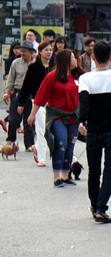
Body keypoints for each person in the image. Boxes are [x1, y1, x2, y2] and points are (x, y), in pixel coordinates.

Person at [78, 40, 111, 223]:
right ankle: (101, 208)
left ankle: (94, 206)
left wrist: (81, 122)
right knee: (110, 172)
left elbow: (83, 107)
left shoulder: (85, 79)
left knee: (94, 171)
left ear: (93, 57)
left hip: (93, 131)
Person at [28, 49, 84, 187]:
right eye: (73, 57)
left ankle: (65, 175)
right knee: (61, 142)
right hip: (56, 115)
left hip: (73, 117)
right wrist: (33, 114)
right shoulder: (52, 77)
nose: (76, 60)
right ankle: (56, 177)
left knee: (70, 145)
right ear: (65, 60)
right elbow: (41, 96)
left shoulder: (79, 77)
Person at [18, 41, 54, 167]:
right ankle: (42, 159)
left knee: (52, 129)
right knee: (41, 129)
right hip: (38, 102)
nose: (49, 52)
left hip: (53, 102)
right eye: (46, 50)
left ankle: (36, 147)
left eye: (50, 50)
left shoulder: (54, 67)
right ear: (40, 52)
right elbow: (26, 87)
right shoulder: (33, 68)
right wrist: (21, 103)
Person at [3, 41, 36, 152]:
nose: (22, 53)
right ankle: (10, 141)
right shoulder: (16, 63)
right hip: (18, 93)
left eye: (24, 51)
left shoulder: (37, 63)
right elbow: (11, 79)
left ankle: (29, 144)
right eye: (21, 51)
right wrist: (6, 92)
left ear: (31, 52)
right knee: (13, 119)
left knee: (29, 120)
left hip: (31, 94)